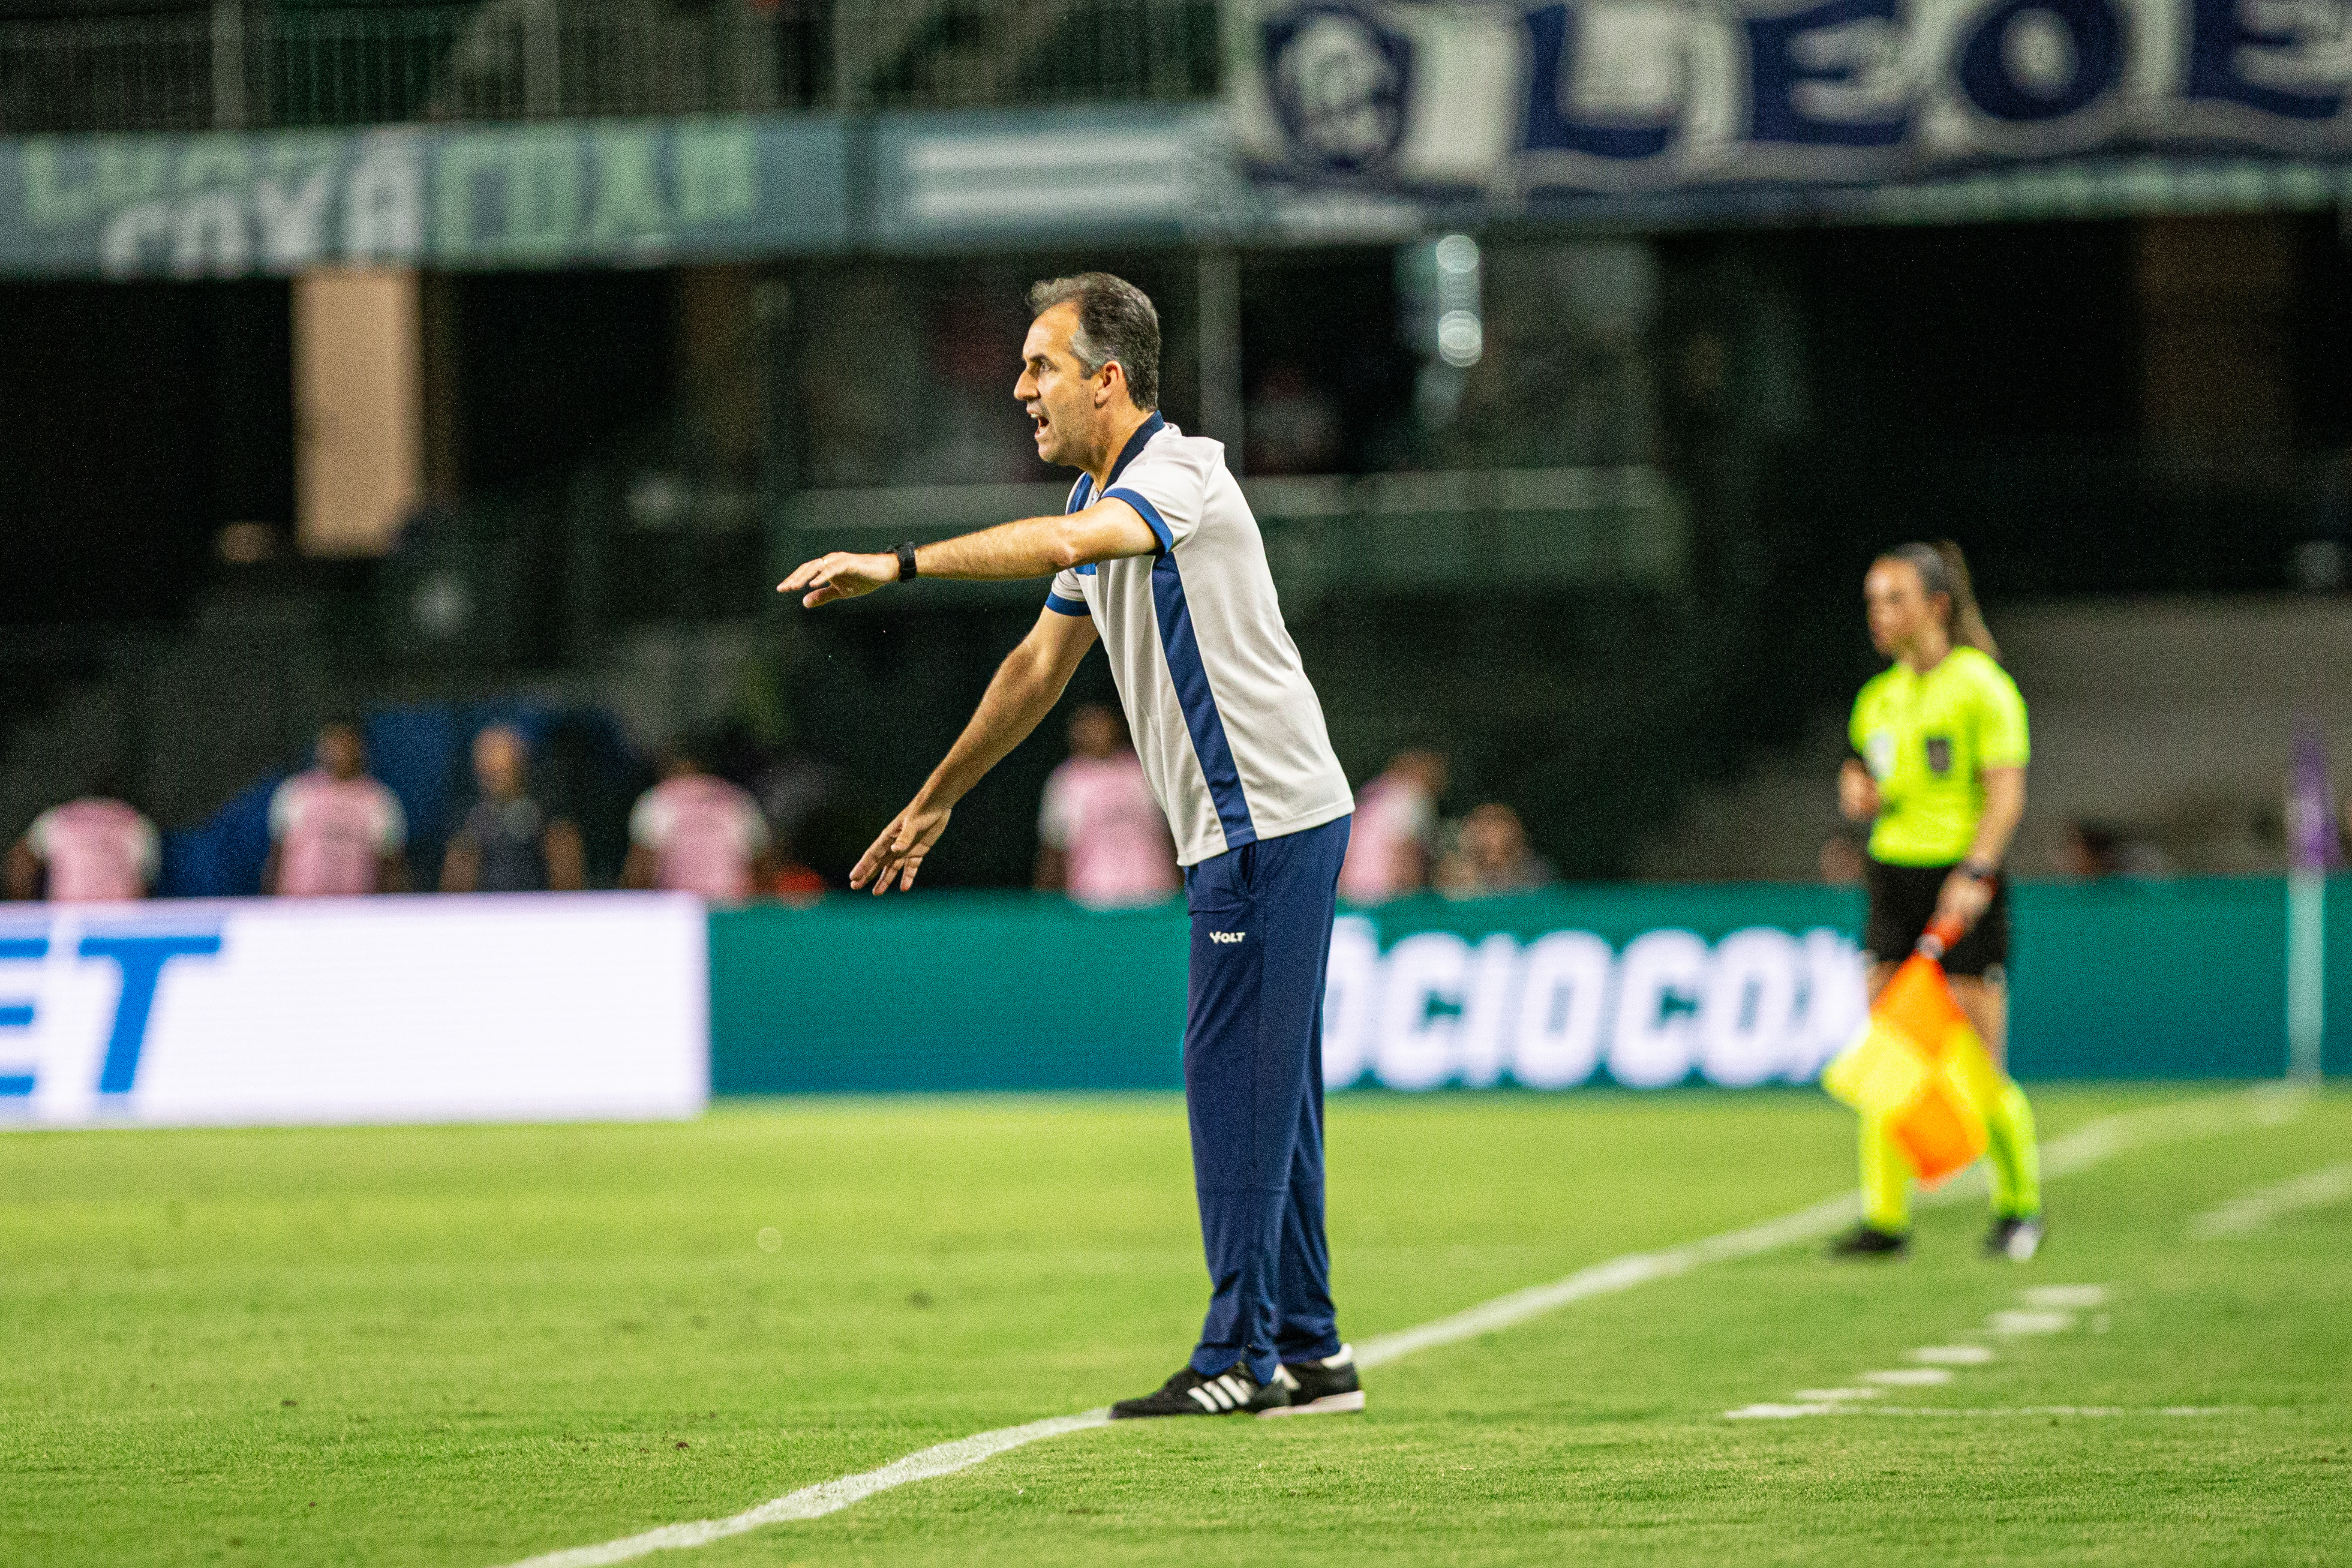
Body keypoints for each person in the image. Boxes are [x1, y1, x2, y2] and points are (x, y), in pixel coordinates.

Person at [778, 272, 1362, 1420]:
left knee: (1231, 1084)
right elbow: (1039, 666)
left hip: (1266, 824)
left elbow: (1060, 536)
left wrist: (897, 563)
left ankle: (1239, 1355)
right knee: (1273, 1088)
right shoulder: (1111, 498)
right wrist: (940, 795)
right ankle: (1311, 1349)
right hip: (1252, 827)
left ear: (1109, 379)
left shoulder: (1174, 475)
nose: (1018, 388)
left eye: (1040, 366)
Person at [1832, 541, 2043, 1261]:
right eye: (1872, 601)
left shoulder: (1982, 686)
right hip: (1893, 881)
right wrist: (1861, 797)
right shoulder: (1877, 700)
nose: (1879, 615)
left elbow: (2007, 793)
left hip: (1959, 881)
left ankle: (2020, 1209)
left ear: (1937, 607)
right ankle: (1885, 1219)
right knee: (1892, 1052)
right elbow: (1879, 786)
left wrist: (1977, 872)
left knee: (1975, 1060)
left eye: (1893, 599)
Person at [1034, 702, 1180, 908]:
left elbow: (1171, 835)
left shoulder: (1142, 771)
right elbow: (1054, 849)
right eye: (1088, 728)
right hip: (1092, 901)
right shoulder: (1066, 780)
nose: (1096, 733)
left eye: (1101, 725)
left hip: (1155, 896)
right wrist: (1044, 908)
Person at [265, 723, 408, 897]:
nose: (340, 750)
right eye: (334, 742)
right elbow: (277, 855)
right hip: (297, 910)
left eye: (346, 742)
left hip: (354, 913)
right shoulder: (296, 791)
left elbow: (392, 867)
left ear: (360, 748)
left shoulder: (380, 800)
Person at [439, 725, 586, 894]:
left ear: (520, 768)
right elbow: (455, 890)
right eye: (487, 775)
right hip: (484, 912)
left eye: (501, 774)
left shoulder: (548, 814)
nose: (492, 778)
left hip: (540, 911)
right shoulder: (469, 817)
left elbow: (568, 884)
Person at [622, 748, 776, 901]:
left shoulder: (659, 799)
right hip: (731, 905)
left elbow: (641, 867)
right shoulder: (735, 799)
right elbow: (763, 862)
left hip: (678, 907)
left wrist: (634, 908)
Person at [6, 792, 159, 902]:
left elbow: (21, 868)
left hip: (102, 918)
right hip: (75, 917)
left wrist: (26, 908)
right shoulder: (139, 824)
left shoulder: (55, 818)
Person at [1338, 749, 1446, 903]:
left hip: (1352, 886)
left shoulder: (1372, 793)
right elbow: (1406, 849)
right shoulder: (1412, 797)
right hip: (1385, 889)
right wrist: (1411, 894)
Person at [1434, 801, 1555, 899]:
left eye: (1494, 822)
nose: (1485, 831)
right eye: (1479, 821)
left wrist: (1479, 887)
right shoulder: (1456, 869)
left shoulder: (1533, 870)